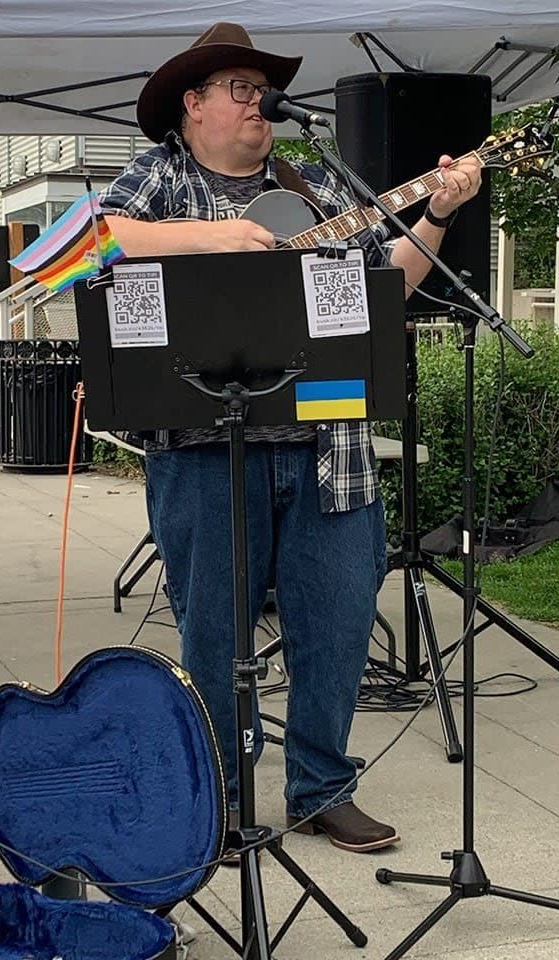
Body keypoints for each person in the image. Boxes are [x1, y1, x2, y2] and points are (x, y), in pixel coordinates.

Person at [99, 22, 482, 853]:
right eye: (238, 87)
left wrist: (440, 216)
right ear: (192, 105)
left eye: (260, 88)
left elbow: (390, 282)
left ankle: (321, 788)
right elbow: (91, 243)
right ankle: (223, 799)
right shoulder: (160, 178)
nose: (258, 102)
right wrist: (217, 236)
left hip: (328, 448)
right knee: (214, 633)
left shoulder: (307, 185)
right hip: (207, 451)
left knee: (339, 621)